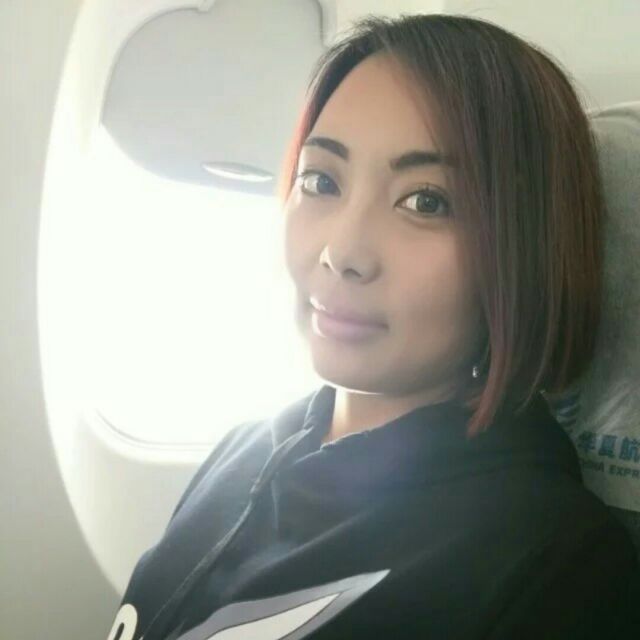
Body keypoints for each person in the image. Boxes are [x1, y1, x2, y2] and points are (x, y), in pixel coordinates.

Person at [106, 14, 639, 640]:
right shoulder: (244, 448)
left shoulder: (557, 567)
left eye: (426, 201)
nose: (343, 252)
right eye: (321, 180)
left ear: (528, 248)